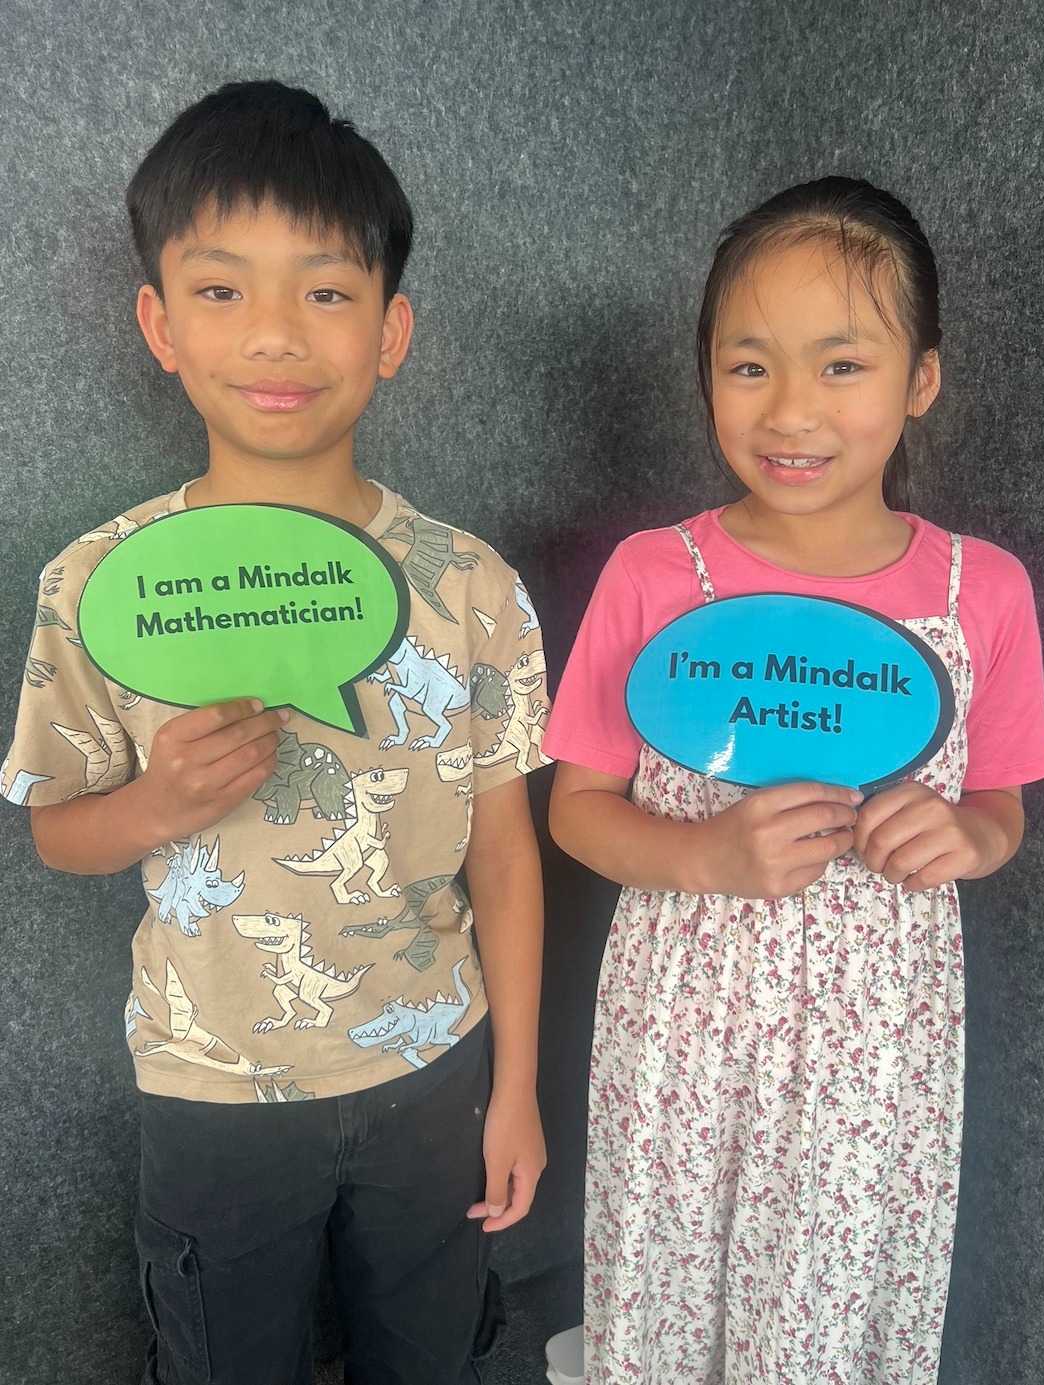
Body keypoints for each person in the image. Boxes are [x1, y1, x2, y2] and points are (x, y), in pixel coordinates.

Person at [2, 80, 549, 1385]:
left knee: (437, 1357)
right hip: (212, 1091)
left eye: (324, 291)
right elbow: (58, 828)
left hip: (434, 1071)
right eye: (221, 289)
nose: (274, 335)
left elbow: (510, 856)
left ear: (391, 329)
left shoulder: (469, 583)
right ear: (159, 324)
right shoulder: (100, 580)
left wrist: (517, 1085)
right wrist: (158, 803)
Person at [543, 177, 1044, 1384]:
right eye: (748, 364)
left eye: (841, 365)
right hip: (677, 1026)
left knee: (820, 1325)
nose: (791, 410)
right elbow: (574, 808)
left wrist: (968, 837)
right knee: (660, 1294)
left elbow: (1004, 806)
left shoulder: (980, 591)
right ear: (706, 374)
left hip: (874, 1050)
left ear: (920, 379)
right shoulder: (651, 572)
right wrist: (702, 857)